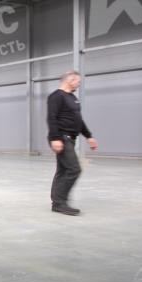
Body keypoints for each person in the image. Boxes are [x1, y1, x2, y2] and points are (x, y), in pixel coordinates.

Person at [47, 70, 98, 215]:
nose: (79, 84)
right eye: (78, 81)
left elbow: (78, 120)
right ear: (70, 80)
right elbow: (51, 118)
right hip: (62, 137)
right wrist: (55, 138)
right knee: (74, 169)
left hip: (70, 138)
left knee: (63, 170)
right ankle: (59, 203)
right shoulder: (56, 96)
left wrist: (89, 136)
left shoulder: (72, 98)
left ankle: (57, 202)